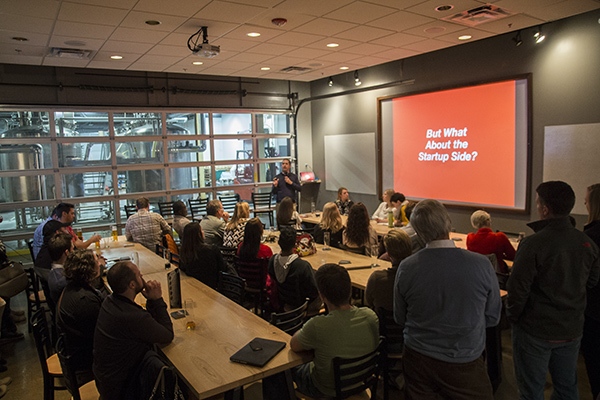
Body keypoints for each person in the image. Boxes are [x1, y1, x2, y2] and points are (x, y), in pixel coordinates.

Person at [394, 199, 501, 399]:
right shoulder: (481, 265)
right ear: (448, 223)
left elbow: (400, 317)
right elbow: (493, 317)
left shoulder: (407, 267)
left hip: (418, 359)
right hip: (465, 360)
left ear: (417, 230)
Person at [507, 181, 599, 400]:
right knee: (567, 387)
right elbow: (593, 281)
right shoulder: (586, 243)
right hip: (571, 328)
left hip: (535, 330)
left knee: (531, 390)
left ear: (545, 209)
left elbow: (517, 289)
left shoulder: (532, 244)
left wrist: (513, 317)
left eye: (538, 203)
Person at [290, 263, 379, 398]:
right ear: (350, 289)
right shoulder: (371, 316)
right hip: (359, 381)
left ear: (322, 296)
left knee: (279, 370)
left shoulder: (317, 326)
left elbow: (294, 345)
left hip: (326, 389)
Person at [93, 261, 174, 400]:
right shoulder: (131, 316)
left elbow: (147, 325)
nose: (142, 275)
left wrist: (151, 301)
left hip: (106, 382)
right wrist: (158, 300)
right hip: (123, 390)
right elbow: (167, 335)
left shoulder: (110, 302)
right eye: (138, 274)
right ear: (132, 284)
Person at [56, 249, 106, 385]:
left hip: (77, 353)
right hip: (85, 367)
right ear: (90, 270)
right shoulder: (85, 300)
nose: (100, 263)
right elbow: (105, 335)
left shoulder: (73, 288)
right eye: (97, 261)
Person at [269, 226, 321, 314]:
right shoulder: (302, 266)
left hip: (282, 303)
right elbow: (314, 292)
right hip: (301, 306)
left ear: (279, 243)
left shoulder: (272, 261)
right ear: (296, 244)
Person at [365, 229, 412, 312]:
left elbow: (369, 302)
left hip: (383, 322)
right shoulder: (418, 278)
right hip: (409, 322)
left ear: (388, 254)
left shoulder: (376, 279)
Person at [582, 183, 600, 400]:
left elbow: (589, 278)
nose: (584, 203)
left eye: (587, 200)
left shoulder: (591, 237)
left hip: (594, 309)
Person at [179, 222, 229, 290]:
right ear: (199, 234)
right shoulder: (212, 250)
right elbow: (222, 269)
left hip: (193, 287)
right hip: (214, 286)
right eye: (202, 230)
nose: (203, 232)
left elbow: (182, 269)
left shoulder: (184, 252)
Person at [466, 210, 516, 274]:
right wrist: (501, 255)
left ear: (474, 224)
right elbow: (513, 256)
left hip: (477, 276)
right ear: (489, 222)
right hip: (497, 277)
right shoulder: (499, 237)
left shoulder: (470, 238)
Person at [46, 232, 74, 305]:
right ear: (67, 253)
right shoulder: (62, 281)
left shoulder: (55, 272)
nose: (74, 252)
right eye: (73, 249)